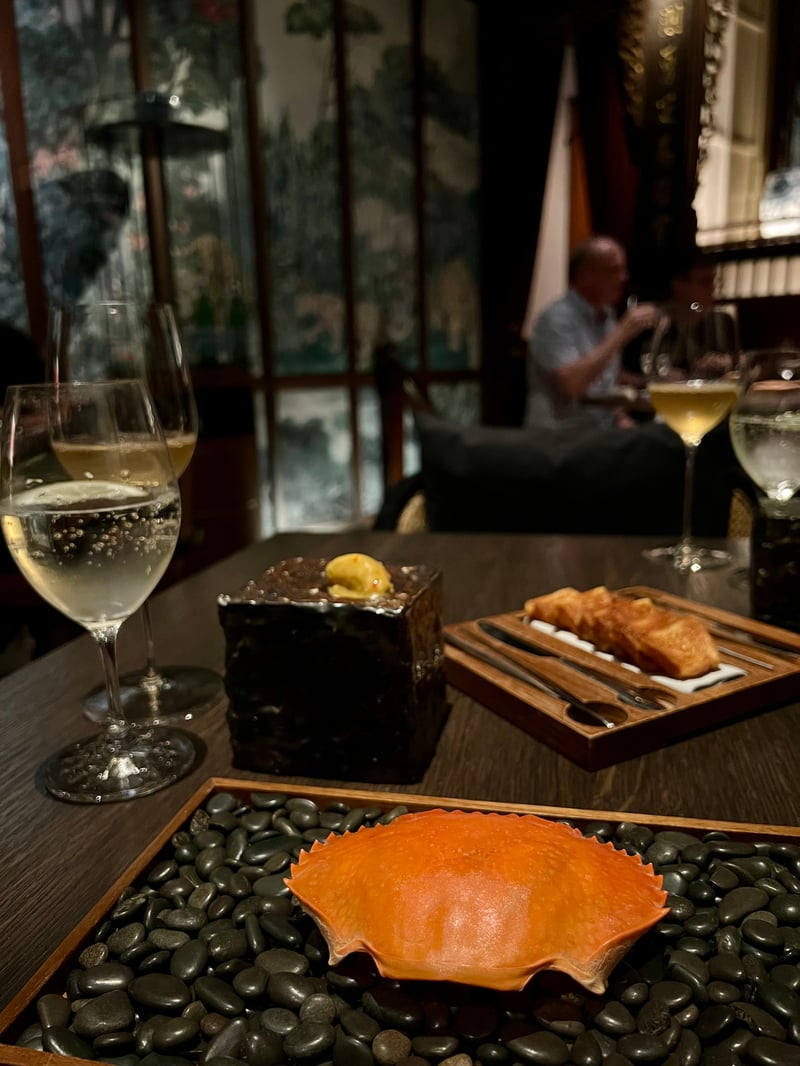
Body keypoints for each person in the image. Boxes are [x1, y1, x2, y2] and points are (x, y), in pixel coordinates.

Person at [524, 236, 658, 432]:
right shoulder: (556, 318)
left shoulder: (606, 314)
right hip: (560, 435)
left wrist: (651, 381)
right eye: (613, 270)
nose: (623, 278)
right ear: (584, 276)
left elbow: (604, 376)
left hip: (600, 429)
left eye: (624, 270)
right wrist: (621, 332)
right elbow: (573, 385)